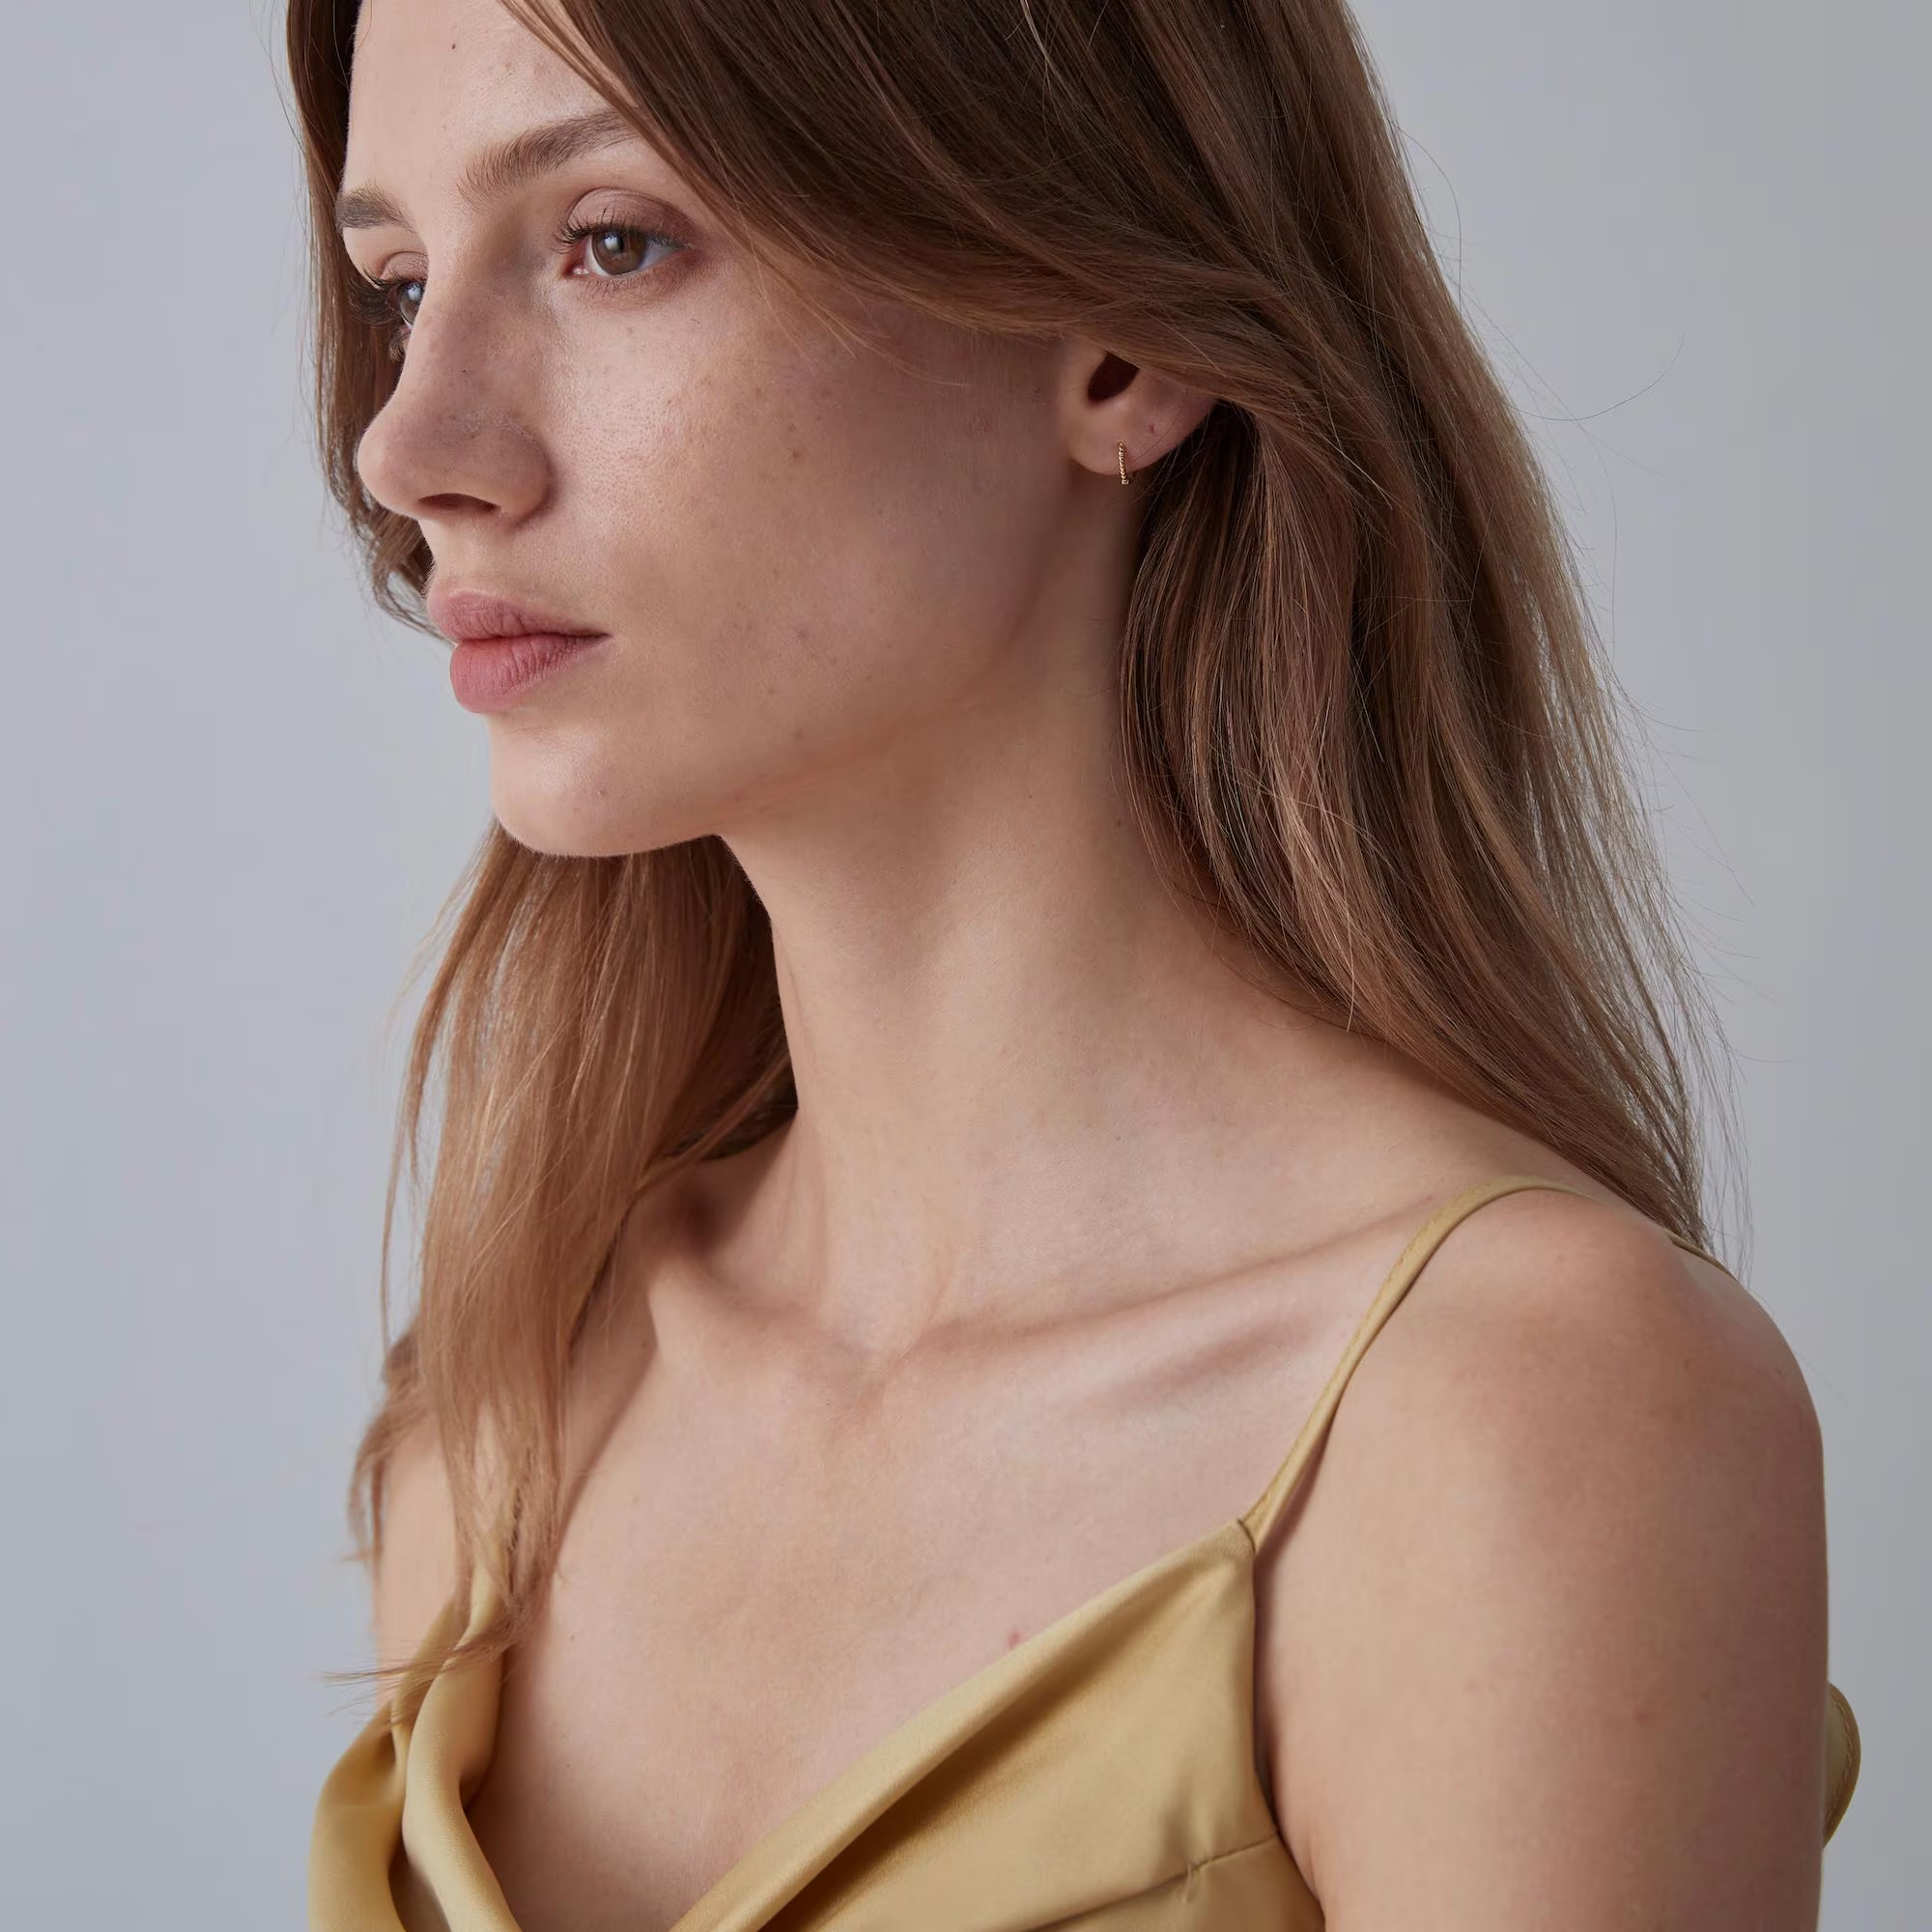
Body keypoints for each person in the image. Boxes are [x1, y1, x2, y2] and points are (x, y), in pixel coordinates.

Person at [291, 0, 1860, 1925]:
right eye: (397, 285)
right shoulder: (511, 1410)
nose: (407, 446)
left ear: (1119, 340)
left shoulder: (1513, 1428)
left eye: (614, 241)